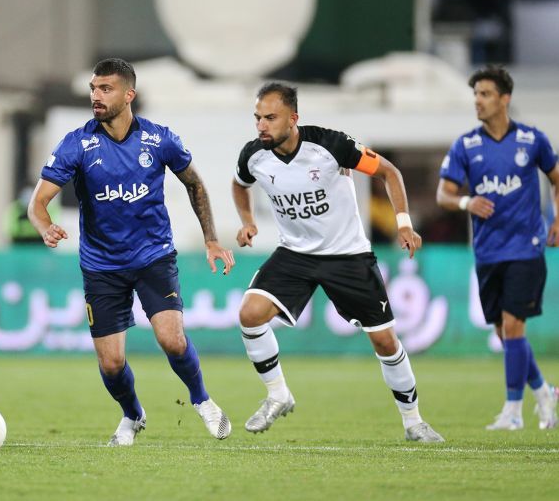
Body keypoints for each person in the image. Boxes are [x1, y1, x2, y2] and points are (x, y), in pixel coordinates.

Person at [28, 58, 236, 446]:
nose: (96, 95)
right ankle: (133, 414)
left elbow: (195, 184)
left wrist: (210, 239)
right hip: (101, 266)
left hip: (153, 256)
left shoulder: (160, 139)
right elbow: (38, 202)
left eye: (105, 89)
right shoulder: (77, 143)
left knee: (172, 339)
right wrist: (45, 226)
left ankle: (202, 400)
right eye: (93, 88)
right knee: (111, 363)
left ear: (129, 95)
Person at [232, 82, 444, 442]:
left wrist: (404, 224)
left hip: (347, 255)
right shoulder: (254, 155)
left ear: (293, 118)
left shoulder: (331, 145)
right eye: (257, 118)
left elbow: (389, 172)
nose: (261, 125)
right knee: (250, 314)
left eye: (270, 118)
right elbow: (240, 184)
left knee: (385, 342)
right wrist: (247, 221)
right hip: (295, 253)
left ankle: (414, 422)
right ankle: (278, 395)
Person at [437, 65, 559, 431]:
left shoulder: (532, 140)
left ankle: (513, 411)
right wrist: (466, 202)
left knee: (513, 324)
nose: (478, 100)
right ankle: (544, 393)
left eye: (485, 94)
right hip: (488, 251)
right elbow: (444, 194)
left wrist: (556, 218)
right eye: (476, 94)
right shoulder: (466, 145)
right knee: (504, 333)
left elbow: (556, 178)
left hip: (526, 247)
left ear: (505, 99)